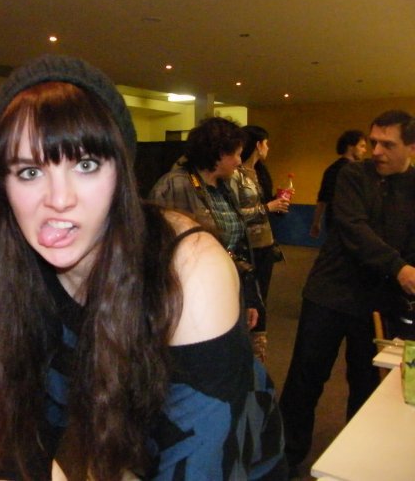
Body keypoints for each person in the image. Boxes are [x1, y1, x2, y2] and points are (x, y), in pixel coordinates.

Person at [0, 55, 286, 480]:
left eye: (86, 165)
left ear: (122, 174)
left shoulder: (190, 270)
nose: (59, 199)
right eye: (29, 171)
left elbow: (205, 458)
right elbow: (29, 434)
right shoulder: (22, 267)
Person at [279, 110, 415, 477]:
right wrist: (399, 268)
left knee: (367, 386)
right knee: (305, 379)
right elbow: (354, 229)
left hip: (378, 303)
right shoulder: (353, 175)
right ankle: (285, 458)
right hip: (330, 294)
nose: (377, 151)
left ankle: (358, 461)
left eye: (388, 144)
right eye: (373, 142)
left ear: (411, 148)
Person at [148, 117, 262, 332]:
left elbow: (239, 246)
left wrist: (249, 297)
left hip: (226, 284)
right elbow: (154, 247)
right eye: (237, 154)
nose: (239, 161)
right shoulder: (173, 185)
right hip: (189, 294)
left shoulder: (227, 187)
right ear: (219, 154)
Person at [230, 125, 290, 361]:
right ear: (258, 144)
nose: (268, 148)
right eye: (266, 143)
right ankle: (245, 347)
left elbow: (263, 207)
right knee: (247, 297)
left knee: (261, 297)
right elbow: (233, 213)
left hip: (266, 242)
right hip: (246, 246)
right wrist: (267, 207)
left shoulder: (260, 173)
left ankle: (258, 349)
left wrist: (277, 205)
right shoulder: (235, 175)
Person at [309, 129, 367, 239]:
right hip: (352, 224)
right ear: (351, 147)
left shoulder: (331, 170)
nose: (365, 150)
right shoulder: (356, 171)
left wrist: (316, 222)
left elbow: (322, 199)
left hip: (333, 223)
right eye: (362, 146)